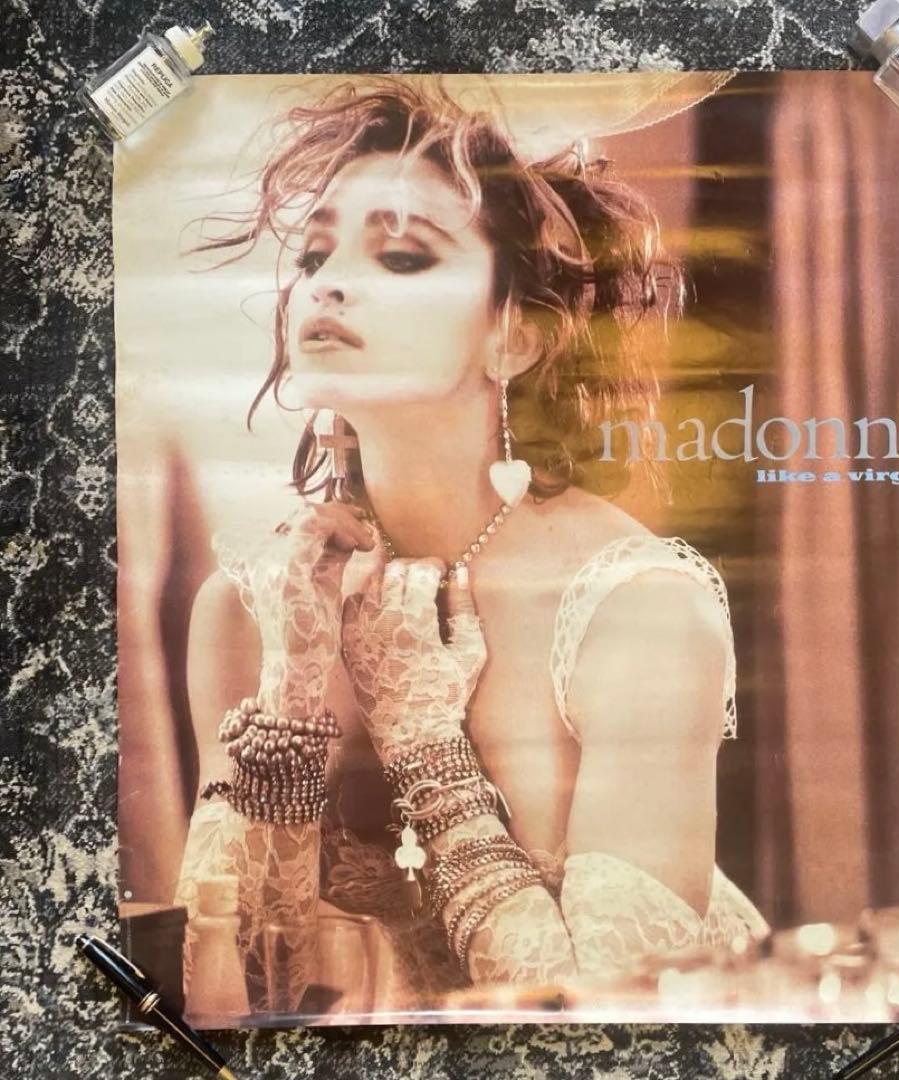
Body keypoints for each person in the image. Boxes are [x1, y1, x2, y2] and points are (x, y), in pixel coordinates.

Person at [173, 77, 767, 1015]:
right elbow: (235, 1000)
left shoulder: (638, 607)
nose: (326, 282)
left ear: (513, 337)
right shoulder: (252, 608)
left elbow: (602, 1022)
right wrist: (292, 683)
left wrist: (423, 741)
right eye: (316, 252)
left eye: (403, 256)